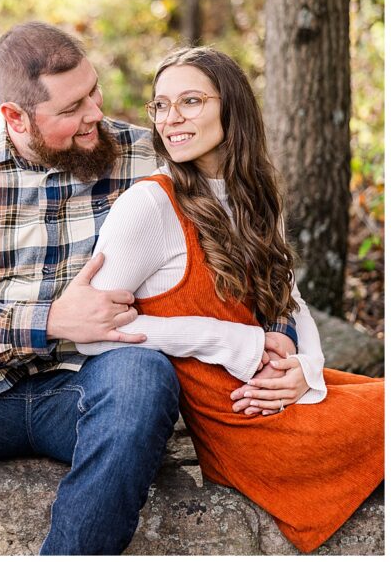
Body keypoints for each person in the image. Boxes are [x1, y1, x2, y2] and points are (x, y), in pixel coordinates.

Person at [0, 22, 300, 554]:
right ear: (15, 115)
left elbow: (256, 244)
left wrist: (279, 337)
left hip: (89, 386)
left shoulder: (146, 158)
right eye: (71, 109)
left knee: (143, 375)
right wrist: (50, 320)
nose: (95, 115)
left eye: (93, 91)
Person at [79, 47, 383, 552]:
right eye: (160, 105)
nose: (170, 119)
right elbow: (94, 330)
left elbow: (291, 298)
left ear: (232, 107)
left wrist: (309, 366)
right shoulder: (149, 203)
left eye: (190, 101)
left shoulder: (255, 194)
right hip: (244, 429)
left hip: (284, 399)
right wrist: (225, 338)